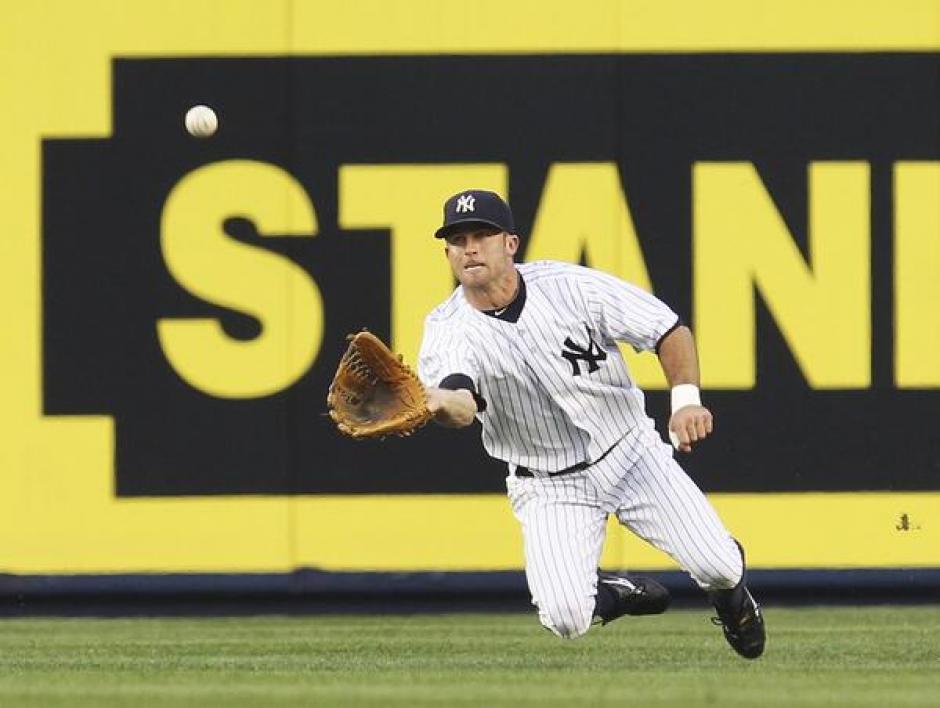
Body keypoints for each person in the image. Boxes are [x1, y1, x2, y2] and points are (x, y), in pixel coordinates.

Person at [417, 189, 766, 659]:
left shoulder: (569, 287)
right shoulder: (446, 329)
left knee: (720, 565)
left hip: (631, 451)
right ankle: (621, 591)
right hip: (549, 483)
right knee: (564, 618)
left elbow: (667, 329)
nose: (470, 247)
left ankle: (731, 599)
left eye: (482, 234)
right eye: (458, 239)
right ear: (448, 254)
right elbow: (461, 405)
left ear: (511, 244)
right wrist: (438, 400)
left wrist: (685, 400)